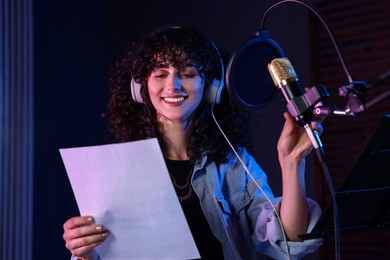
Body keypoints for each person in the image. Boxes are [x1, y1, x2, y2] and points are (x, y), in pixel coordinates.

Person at [62, 25, 323, 259]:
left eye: (187, 73)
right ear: (141, 88)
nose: (173, 85)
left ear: (211, 87)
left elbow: (289, 243)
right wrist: (84, 252)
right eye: (160, 74)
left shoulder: (235, 164)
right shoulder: (116, 170)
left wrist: (292, 164)